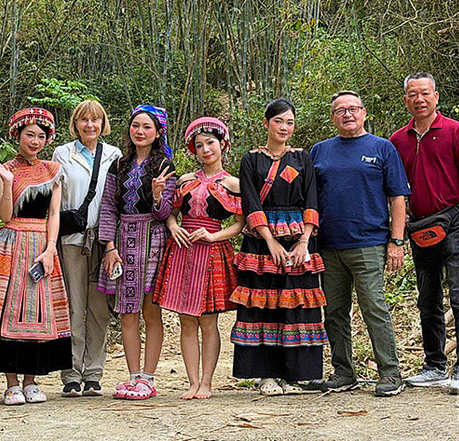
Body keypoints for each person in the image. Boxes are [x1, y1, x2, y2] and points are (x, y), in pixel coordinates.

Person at [0, 107, 71, 405]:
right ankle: (10, 383)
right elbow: (5, 215)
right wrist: (6, 182)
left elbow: (54, 213)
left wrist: (50, 248)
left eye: (41, 136)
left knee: (37, 311)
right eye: (29, 135)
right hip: (11, 242)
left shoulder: (53, 170)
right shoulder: (5, 168)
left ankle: (31, 379)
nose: (34, 141)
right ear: (17, 135)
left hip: (41, 243)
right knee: (5, 310)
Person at [310, 91, 410, 397]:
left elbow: (397, 198)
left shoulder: (382, 148)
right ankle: (344, 371)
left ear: (364, 113)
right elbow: (309, 197)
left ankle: (390, 373)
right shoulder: (319, 151)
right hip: (329, 245)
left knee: (374, 307)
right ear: (333, 117)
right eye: (340, 110)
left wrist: (396, 241)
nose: (347, 114)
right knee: (335, 312)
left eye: (353, 109)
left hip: (368, 243)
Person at [389, 72, 459, 395]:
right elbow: (394, 190)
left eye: (425, 93)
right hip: (419, 224)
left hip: (454, 219)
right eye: (413, 94)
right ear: (405, 101)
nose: (419, 99)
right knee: (427, 298)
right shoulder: (397, 140)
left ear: (436, 97)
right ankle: (434, 365)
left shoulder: (456, 131)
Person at [232, 98, 327, 395]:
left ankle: (297, 374)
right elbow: (250, 201)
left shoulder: (303, 158)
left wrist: (304, 243)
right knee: (264, 304)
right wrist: (270, 241)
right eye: (278, 121)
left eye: (290, 123)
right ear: (266, 124)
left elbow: (312, 198)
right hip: (261, 244)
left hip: (300, 241)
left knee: (298, 303)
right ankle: (266, 375)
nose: (284, 128)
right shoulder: (251, 160)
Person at [154, 117, 243, 400]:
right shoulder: (185, 180)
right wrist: (173, 226)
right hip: (183, 249)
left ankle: (207, 382)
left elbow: (240, 223)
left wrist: (213, 236)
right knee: (186, 320)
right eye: (200, 145)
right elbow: (171, 211)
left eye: (211, 143)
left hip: (213, 250)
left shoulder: (234, 183)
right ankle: (191, 382)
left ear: (222, 145)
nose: (206, 150)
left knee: (208, 321)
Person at [98, 105, 176, 401]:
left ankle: (149, 377)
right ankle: (133, 377)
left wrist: (157, 195)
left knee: (150, 311)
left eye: (146, 127)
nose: (140, 131)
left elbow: (166, 213)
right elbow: (108, 207)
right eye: (135, 126)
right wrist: (109, 246)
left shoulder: (164, 165)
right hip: (123, 240)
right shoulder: (118, 165)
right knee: (127, 312)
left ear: (157, 133)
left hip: (154, 240)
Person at [53, 100, 122, 397]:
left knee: (98, 309)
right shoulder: (62, 154)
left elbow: (118, 203)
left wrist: (113, 244)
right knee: (72, 307)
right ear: (75, 124)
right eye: (84, 120)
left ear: (103, 123)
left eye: (95, 120)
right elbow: (55, 203)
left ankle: (93, 373)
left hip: (105, 241)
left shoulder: (114, 156)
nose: (90, 125)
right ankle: (70, 374)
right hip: (71, 241)